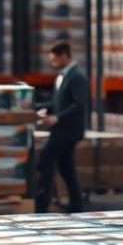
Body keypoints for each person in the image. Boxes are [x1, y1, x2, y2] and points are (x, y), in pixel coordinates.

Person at [34, 41, 89, 213]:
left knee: (45, 160)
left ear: (64, 55)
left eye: (54, 60)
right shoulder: (62, 76)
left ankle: (42, 204)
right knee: (66, 169)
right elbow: (58, 102)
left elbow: (79, 104)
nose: (52, 63)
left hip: (68, 130)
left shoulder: (77, 76)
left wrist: (57, 117)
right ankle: (77, 206)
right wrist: (42, 108)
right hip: (62, 129)